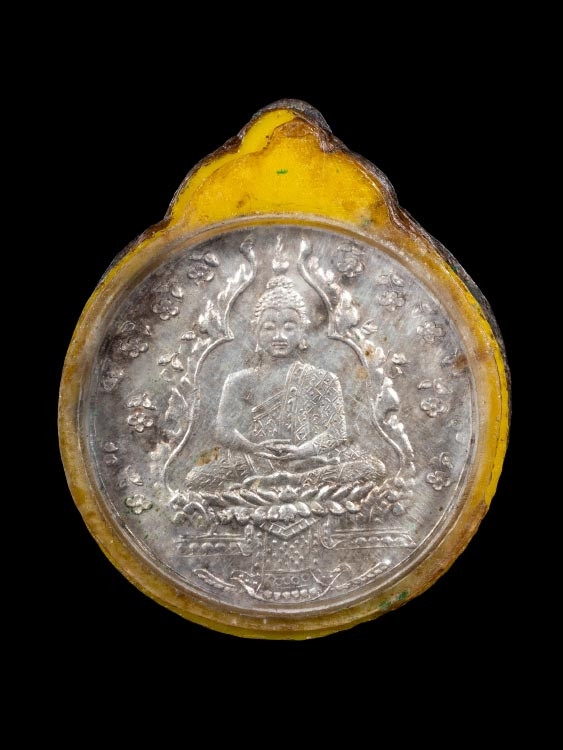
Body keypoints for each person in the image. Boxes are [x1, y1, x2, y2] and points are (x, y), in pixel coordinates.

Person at [185, 275, 385, 496]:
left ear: (303, 332)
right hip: (256, 460)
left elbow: (336, 433)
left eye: (289, 328)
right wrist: (255, 448)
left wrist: (301, 451)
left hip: (310, 459)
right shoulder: (238, 380)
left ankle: (285, 481)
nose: (279, 336)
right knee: (195, 479)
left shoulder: (323, 379)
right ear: (256, 331)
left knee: (373, 468)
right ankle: (293, 484)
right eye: (269, 328)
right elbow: (223, 430)